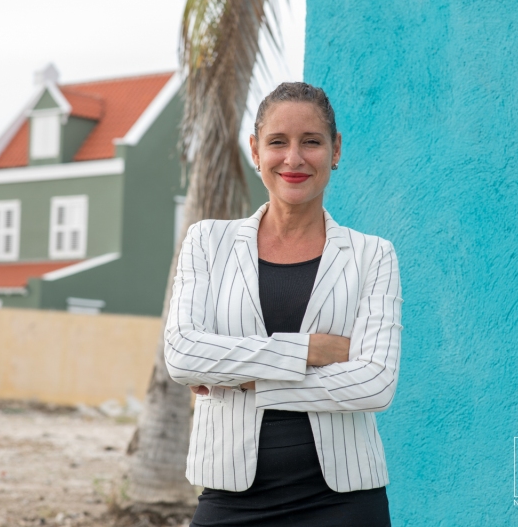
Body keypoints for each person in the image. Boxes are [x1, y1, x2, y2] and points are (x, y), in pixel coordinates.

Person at [164, 82, 402, 526]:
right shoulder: (207, 241)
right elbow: (181, 354)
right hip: (229, 497)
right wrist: (309, 351)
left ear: (335, 150)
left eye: (311, 142)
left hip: (344, 503)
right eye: (278, 142)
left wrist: (246, 380)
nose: (293, 158)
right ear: (255, 150)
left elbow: (374, 383)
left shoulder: (374, 255)